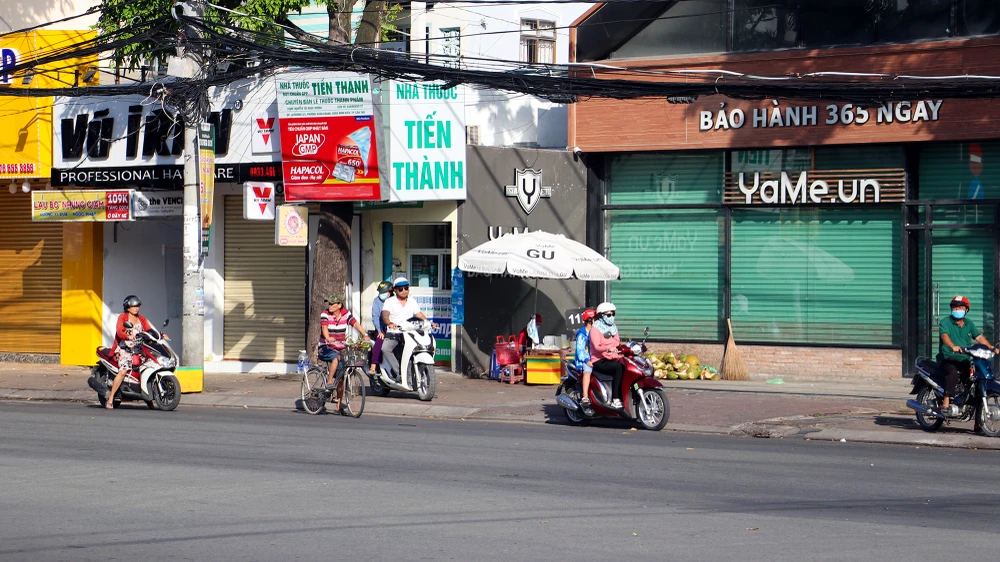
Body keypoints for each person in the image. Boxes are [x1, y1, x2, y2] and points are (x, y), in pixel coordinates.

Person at [938, 296, 998, 424]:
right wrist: (952, 346)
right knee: (952, 373)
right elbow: (945, 336)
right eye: (954, 307)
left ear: (966, 309)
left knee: (976, 381)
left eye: (960, 307)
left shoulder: (969, 323)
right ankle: (946, 400)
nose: (957, 309)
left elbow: (979, 337)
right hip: (949, 358)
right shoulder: (945, 322)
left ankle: (978, 420)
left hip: (965, 359)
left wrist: (991, 347)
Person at [380, 277, 435, 387]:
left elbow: (418, 314)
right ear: (395, 290)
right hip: (394, 333)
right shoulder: (389, 301)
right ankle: (399, 372)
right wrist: (390, 323)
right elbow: (385, 315)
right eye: (401, 289)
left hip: (410, 333)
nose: (404, 291)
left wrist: (428, 322)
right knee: (385, 348)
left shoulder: (412, 301)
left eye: (406, 288)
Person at [320, 295, 369, 411]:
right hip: (326, 347)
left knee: (341, 377)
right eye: (329, 304)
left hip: (341, 347)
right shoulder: (325, 314)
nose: (330, 306)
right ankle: (329, 382)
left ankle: (338, 406)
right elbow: (324, 327)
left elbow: (355, 324)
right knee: (336, 358)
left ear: (339, 305)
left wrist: (364, 334)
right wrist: (327, 337)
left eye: (332, 304)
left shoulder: (346, 314)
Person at [106, 295, 154, 410]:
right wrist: (128, 336)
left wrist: (159, 335)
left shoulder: (141, 318)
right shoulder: (122, 318)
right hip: (125, 349)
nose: (136, 308)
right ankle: (111, 398)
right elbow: (119, 332)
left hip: (139, 349)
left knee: (148, 368)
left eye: (137, 306)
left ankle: (148, 398)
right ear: (128, 307)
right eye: (134, 306)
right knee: (123, 371)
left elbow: (149, 330)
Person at [589, 301, 624, 409]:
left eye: (613, 314)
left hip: (614, 358)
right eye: (609, 315)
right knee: (618, 368)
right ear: (601, 315)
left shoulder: (613, 327)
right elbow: (597, 347)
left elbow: (618, 342)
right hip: (599, 360)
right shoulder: (595, 328)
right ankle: (615, 399)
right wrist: (608, 348)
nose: (611, 317)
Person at [574, 308, 597, 413]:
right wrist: (587, 360)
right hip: (583, 361)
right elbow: (580, 351)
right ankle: (585, 396)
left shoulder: (596, 332)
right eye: (595, 318)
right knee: (587, 371)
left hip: (594, 358)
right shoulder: (582, 334)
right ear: (589, 320)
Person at [369, 280, 393, 375]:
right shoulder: (377, 301)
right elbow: (375, 317)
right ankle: (373, 365)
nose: (381, 294)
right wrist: (380, 331)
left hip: (396, 328)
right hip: (382, 328)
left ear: (390, 292)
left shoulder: (395, 300)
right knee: (379, 340)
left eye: (383, 292)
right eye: (380, 292)